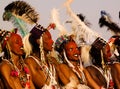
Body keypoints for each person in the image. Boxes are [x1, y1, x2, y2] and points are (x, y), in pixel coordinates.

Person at [23, 23, 61, 88]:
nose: (52, 41)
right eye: (49, 38)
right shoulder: (30, 61)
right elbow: (42, 84)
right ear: (39, 41)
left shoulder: (53, 60)